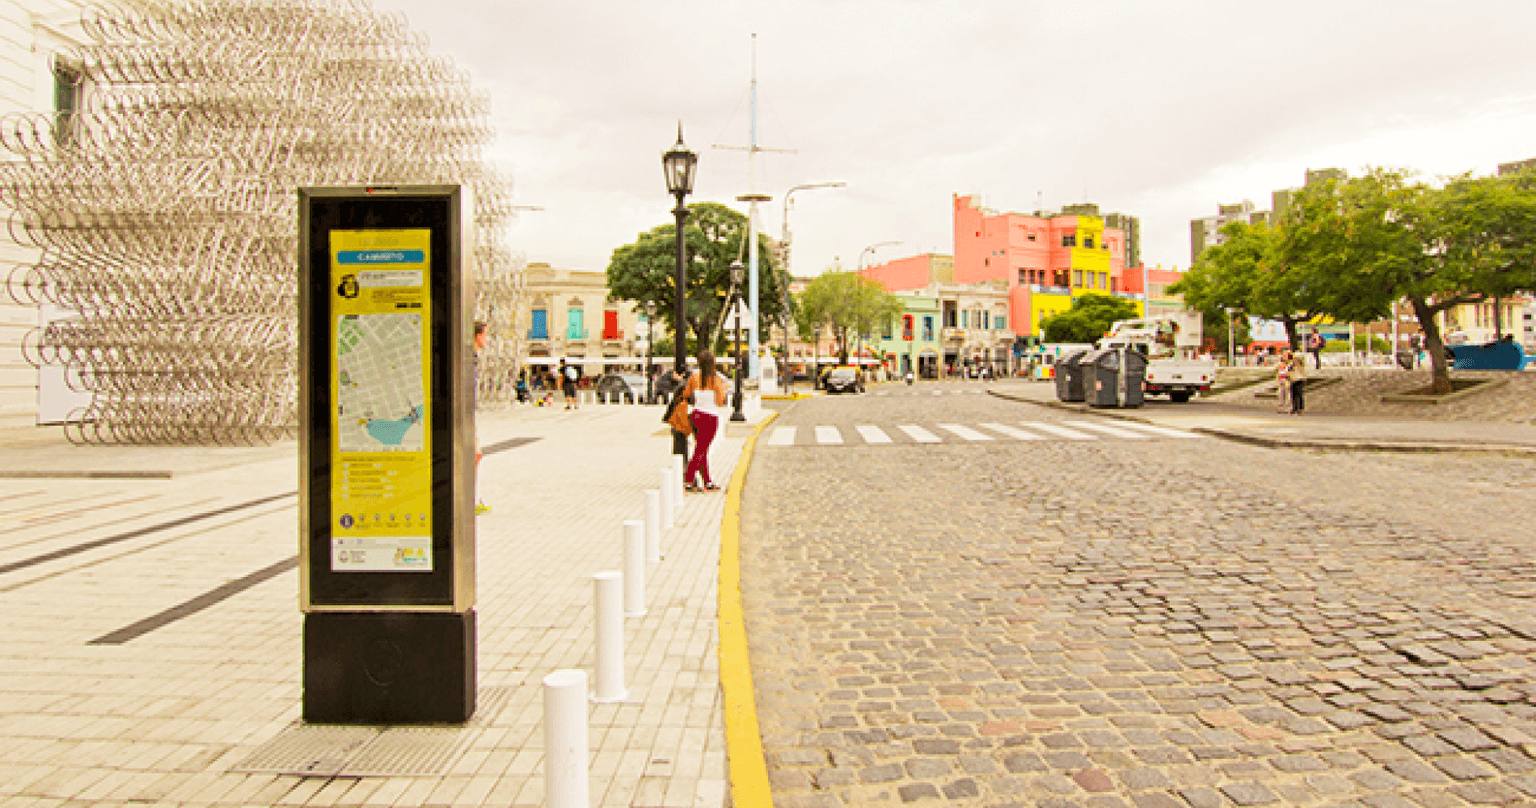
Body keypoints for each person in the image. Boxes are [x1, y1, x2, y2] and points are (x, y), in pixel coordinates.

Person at [680, 349, 728, 492]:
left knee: (701, 450)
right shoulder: (716, 380)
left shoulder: (694, 377)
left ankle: (707, 482)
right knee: (700, 450)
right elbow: (720, 401)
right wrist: (723, 390)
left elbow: (686, 394)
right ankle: (688, 480)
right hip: (710, 417)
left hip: (696, 414)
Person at [473, 322, 490, 514]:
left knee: (475, 456)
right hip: (465, 416)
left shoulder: (472, 358)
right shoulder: (469, 358)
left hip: (469, 415)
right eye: (485, 334)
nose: (486, 339)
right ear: (477, 336)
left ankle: (471, 498)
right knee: (474, 456)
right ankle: (469, 500)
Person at [1289, 347, 1307, 415]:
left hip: (1300, 379)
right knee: (1293, 395)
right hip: (1293, 379)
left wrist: (1295, 362)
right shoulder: (1291, 365)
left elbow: (1301, 370)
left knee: (1299, 394)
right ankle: (1294, 408)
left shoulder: (1301, 364)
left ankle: (1301, 408)